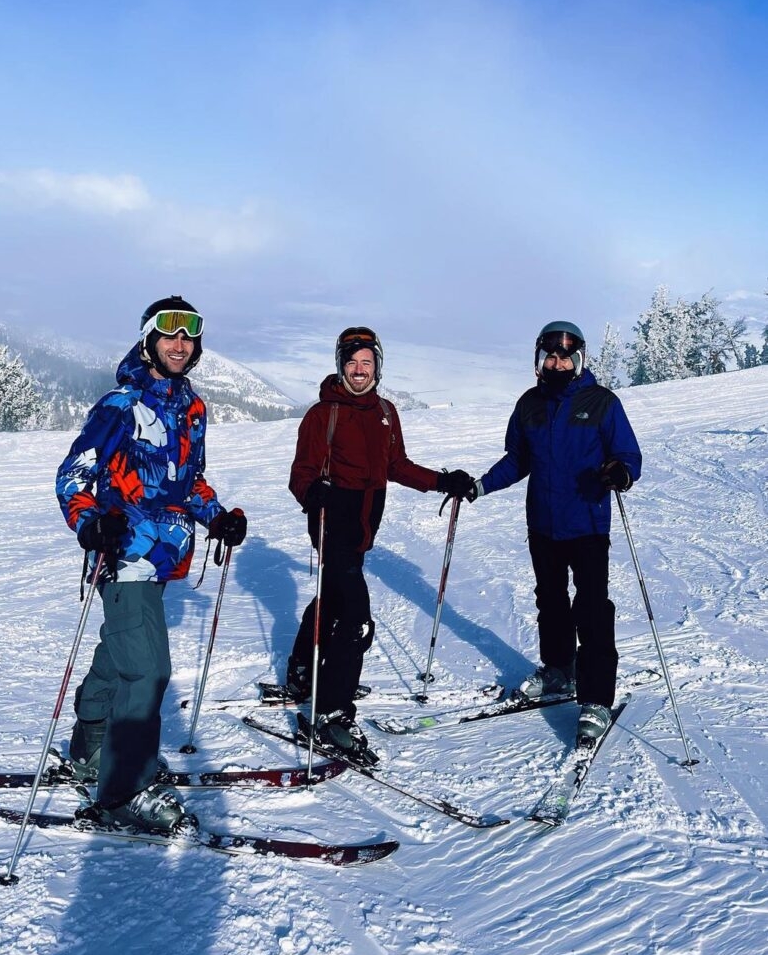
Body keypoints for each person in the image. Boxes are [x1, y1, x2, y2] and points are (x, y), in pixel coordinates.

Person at [55, 296, 247, 832]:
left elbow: (189, 482)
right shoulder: (120, 404)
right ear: (149, 340)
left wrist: (217, 516)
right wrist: (90, 522)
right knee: (149, 670)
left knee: (119, 655)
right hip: (122, 553)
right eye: (169, 332)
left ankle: (92, 742)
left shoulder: (193, 410)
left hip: (164, 554)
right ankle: (123, 790)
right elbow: (73, 474)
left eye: (189, 334)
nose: (179, 343)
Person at [285, 325, 473, 763]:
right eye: (351, 363)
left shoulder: (386, 411)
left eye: (366, 363)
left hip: (367, 520)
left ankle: (301, 671)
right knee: (355, 618)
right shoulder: (321, 414)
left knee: (333, 595)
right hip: (331, 518)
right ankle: (330, 713)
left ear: (377, 367)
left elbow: (398, 465)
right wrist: (313, 493)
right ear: (340, 366)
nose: (358, 370)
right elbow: (301, 473)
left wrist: (443, 480)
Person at [463, 321, 642, 747]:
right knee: (551, 600)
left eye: (565, 356)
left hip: (587, 523)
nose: (557, 362)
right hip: (543, 524)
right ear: (539, 359)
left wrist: (620, 472)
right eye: (550, 355)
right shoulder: (529, 405)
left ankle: (596, 698)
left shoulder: (601, 403)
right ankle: (560, 669)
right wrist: (479, 485)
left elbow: (628, 453)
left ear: (578, 360)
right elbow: (517, 459)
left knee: (593, 607)